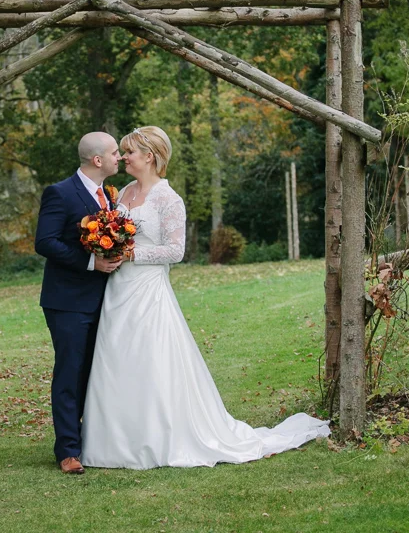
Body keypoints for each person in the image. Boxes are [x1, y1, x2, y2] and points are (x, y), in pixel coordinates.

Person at [81, 126, 330, 470]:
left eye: (129, 152)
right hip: (117, 289)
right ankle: (113, 439)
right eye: (122, 152)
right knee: (115, 358)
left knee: (149, 360)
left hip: (148, 291)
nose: (123, 158)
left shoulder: (169, 199)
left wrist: (131, 254)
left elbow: (176, 250)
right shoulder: (123, 192)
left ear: (149, 156)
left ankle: (155, 437)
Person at [34, 131, 124, 475]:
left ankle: (95, 440)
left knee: (96, 372)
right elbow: (45, 242)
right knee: (70, 373)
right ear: (97, 160)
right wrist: (91, 262)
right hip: (68, 301)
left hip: (107, 300)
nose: (120, 157)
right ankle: (68, 450)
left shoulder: (110, 196)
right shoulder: (60, 192)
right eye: (114, 152)